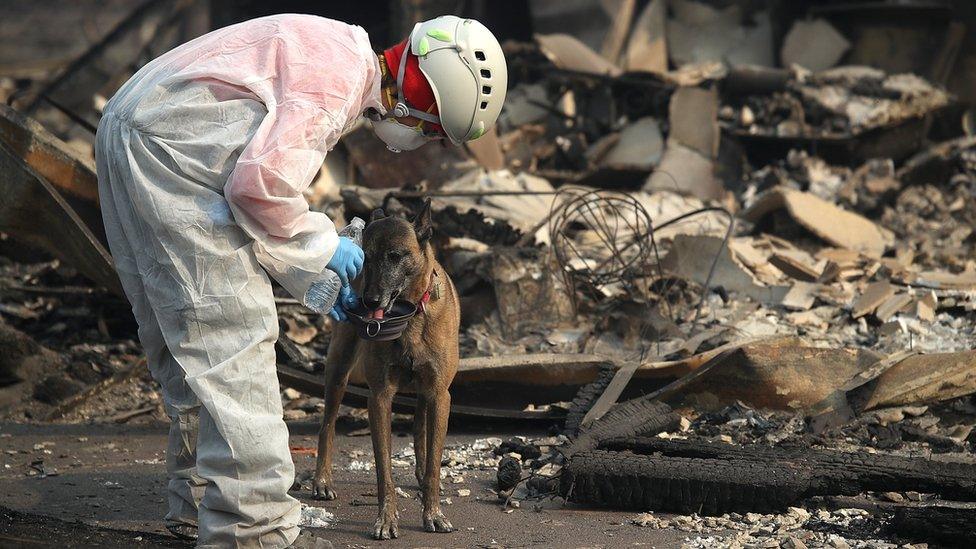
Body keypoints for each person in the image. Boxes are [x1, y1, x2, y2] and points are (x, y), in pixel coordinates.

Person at [94, 13, 506, 549]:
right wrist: (325, 246)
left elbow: (248, 186)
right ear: (429, 91)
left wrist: (310, 271)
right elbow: (259, 188)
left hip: (136, 128)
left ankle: (196, 499)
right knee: (231, 340)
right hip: (171, 147)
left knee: (181, 335)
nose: (424, 138)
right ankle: (254, 530)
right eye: (433, 127)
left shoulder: (335, 48)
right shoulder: (335, 80)